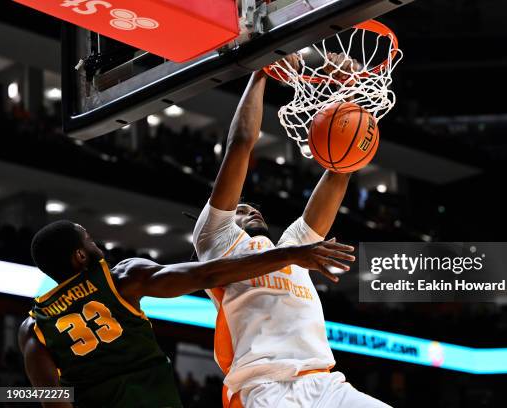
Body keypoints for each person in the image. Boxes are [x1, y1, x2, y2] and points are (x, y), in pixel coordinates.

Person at [193, 56, 391, 408]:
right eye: (241, 208)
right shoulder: (217, 241)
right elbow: (241, 143)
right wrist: (260, 69)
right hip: (264, 386)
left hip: (324, 384)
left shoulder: (297, 247)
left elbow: (340, 169)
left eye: (253, 207)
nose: (250, 208)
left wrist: (345, 96)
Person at [19, 220, 354, 408]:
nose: (98, 247)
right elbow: (207, 275)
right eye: (90, 239)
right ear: (80, 256)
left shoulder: (33, 327)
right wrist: (290, 255)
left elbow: (53, 400)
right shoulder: (121, 278)